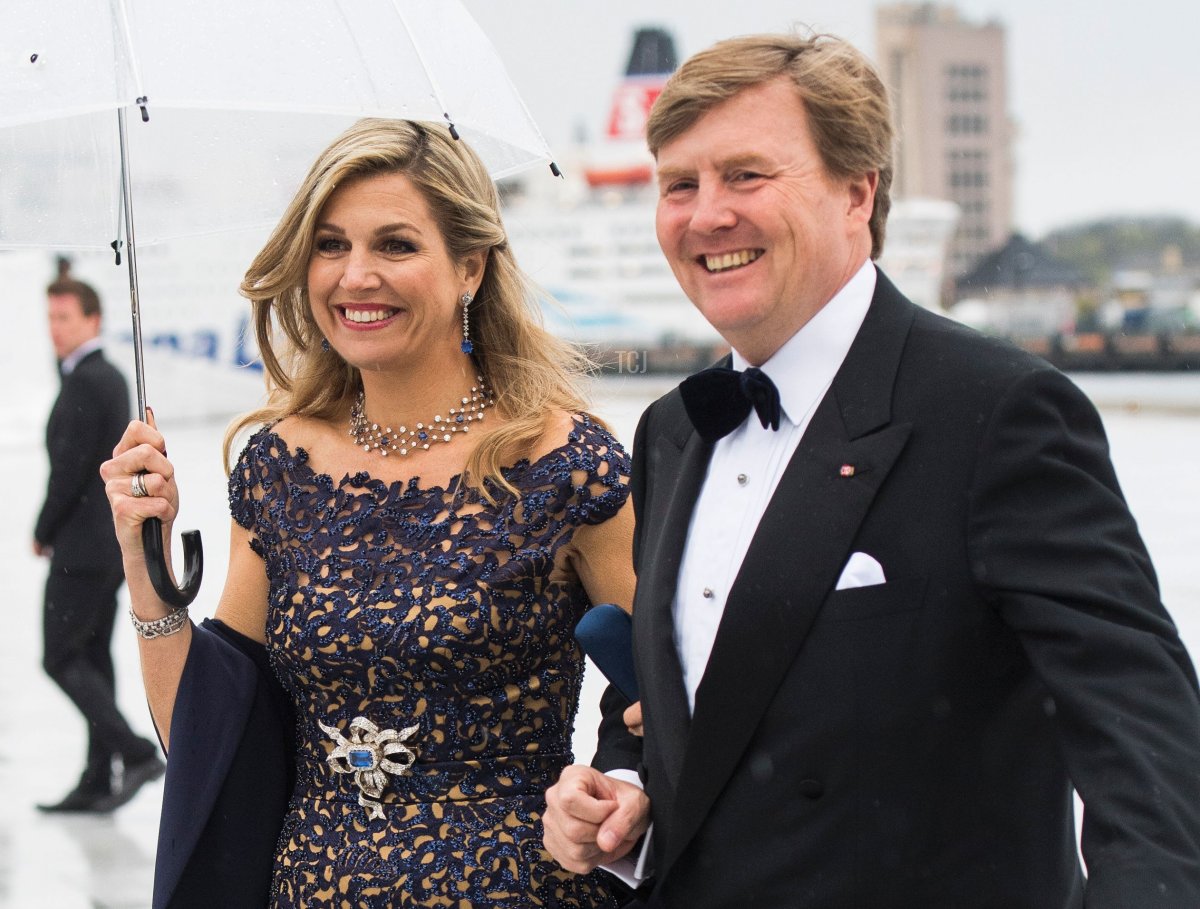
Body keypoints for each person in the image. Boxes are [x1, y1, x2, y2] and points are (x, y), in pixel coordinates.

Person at [543, 32, 1200, 908]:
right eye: (679, 185)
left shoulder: (997, 410)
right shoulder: (671, 431)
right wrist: (624, 791)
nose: (706, 216)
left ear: (858, 192)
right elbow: (682, 700)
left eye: (746, 175)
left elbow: (1145, 741)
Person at [101, 118, 635, 908]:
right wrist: (147, 576)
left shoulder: (566, 464)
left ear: (470, 267)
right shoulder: (279, 466)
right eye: (329, 244)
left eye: (395, 245)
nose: (355, 276)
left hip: (523, 887)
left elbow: (659, 694)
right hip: (311, 887)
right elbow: (212, 743)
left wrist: (608, 794)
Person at [33, 270, 165, 813]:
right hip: (101, 546)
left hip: (83, 550)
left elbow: (70, 469)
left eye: (65, 317)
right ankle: (96, 777)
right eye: (50, 318)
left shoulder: (90, 379)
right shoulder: (95, 375)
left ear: (93, 320)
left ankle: (134, 753)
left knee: (60, 657)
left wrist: (42, 530)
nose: (55, 329)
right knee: (91, 656)